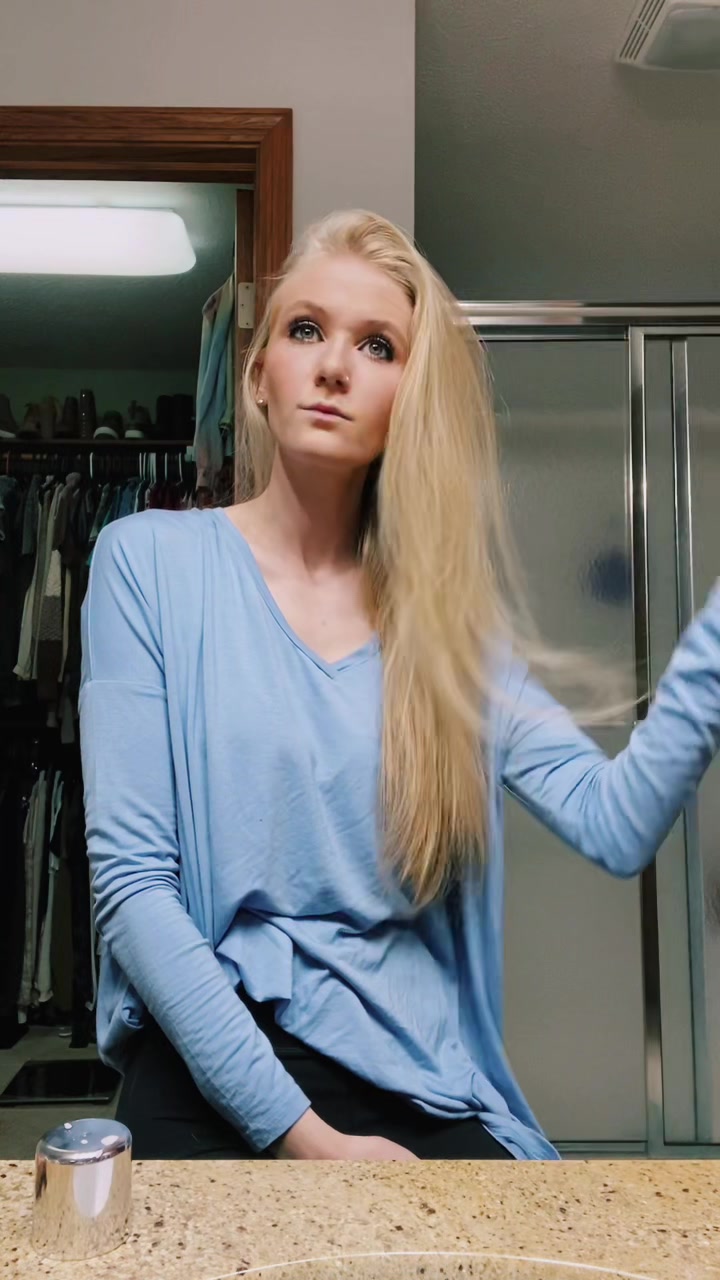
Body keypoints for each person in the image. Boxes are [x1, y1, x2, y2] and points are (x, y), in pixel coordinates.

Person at [80, 210, 720, 1162]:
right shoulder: (147, 563)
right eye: (306, 329)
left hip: (412, 1069)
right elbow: (134, 888)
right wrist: (309, 1143)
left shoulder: (447, 634)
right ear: (257, 374)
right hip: (208, 1056)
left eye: (377, 345)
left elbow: (615, 822)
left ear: (409, 399)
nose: (334, 366)